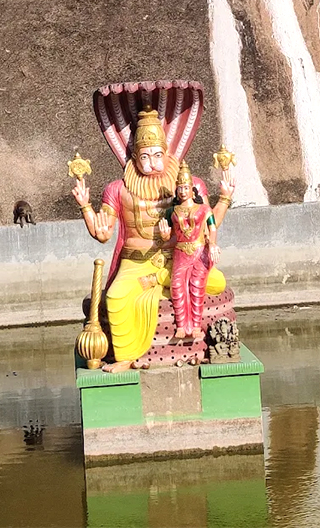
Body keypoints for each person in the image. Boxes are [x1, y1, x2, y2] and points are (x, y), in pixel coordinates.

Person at [72, 108, 235, 372]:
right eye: (145, 157)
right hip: (136, 263)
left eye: (158, 155)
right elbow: (102, 234)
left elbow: (208, 223)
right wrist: (85, 206)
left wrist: (225, 198)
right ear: (134, 157)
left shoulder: (190, 186)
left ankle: (158, 281)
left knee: (216, 281)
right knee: (115, 297)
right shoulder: (117, 190)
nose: (152, 163)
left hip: (181, 257)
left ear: (167, 153)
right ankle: (125, 356)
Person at [158, 161, 220, 341]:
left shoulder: (204, 209)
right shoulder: (172, 211)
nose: (183, 191)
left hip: (199, 250)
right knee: (177, 285)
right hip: (180, 252)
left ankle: (195, 326)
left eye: (186, 187)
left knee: (196, 285)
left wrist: (213, 244)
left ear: (192, 189)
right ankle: (181, 325)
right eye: (180, 188)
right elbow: (167, 235)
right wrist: (164, 235)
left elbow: (213, 228)